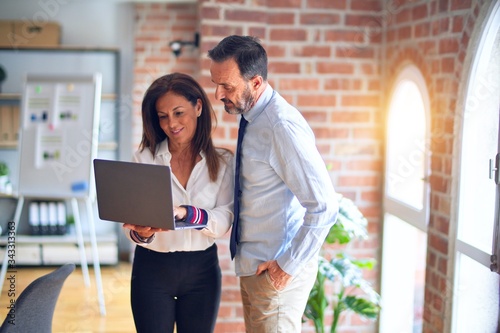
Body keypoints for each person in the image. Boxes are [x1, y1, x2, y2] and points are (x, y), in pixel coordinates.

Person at [208, 35, 339, 332]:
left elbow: (325, 206)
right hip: (256, 267)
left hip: (275, 270)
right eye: (216, 83)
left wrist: (286, 267)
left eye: (226, 85)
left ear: (255, 82)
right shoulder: (254, 117)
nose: (218, 94)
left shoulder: (281, 125)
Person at [122, 72, 234, 333]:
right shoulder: (143, 159)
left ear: (198, 107)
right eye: (162, 116)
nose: (171, 123)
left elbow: (224, 219)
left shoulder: (223, 161)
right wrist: (141, 233)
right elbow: (127, 222)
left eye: (178, 112)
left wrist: (188, 213)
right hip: (151, 270)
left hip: (202, 273)